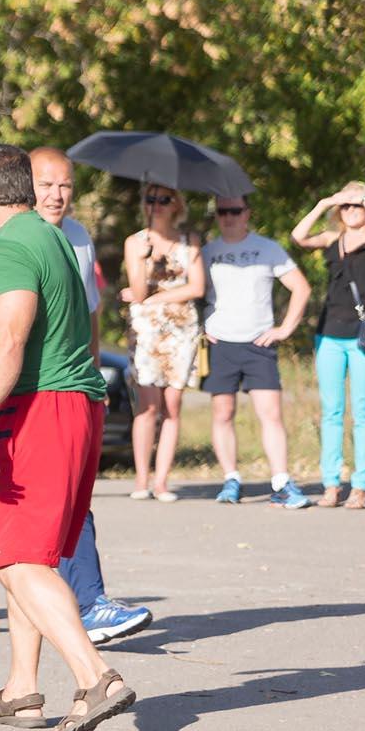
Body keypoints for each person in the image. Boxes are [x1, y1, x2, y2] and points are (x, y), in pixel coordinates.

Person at [0, 147, 153, 646]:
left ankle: (89, 604)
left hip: (48, 393)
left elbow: (83, 315)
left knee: (61, 508)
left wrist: (84, 371)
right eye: (47, 184)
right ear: (25, 186)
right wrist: (5, 355)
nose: (56, 195)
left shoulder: (71, 237)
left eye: (65, 185)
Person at [0, 144, 135, 731]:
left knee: (18, 561)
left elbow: (8, 337)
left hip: (34, 409)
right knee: (29, 557)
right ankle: (21, 689)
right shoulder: (51, 237)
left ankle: (96, 677)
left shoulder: (7, 248)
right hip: (72, 405)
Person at [200, 194, 314, 508]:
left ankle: (281, 482)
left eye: (235, 210)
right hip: (220, 343)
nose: (229, 217)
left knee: (271, 414)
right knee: (223, 413)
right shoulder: (207, 252)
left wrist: (285, 328)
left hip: (258, 343)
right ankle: (231, 479)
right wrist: (200, 325)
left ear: (247, 213)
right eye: (222, 211)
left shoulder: (268, 249)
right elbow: (191, 291)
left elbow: (301, 288)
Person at [291, 182, 365, 508]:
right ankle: (331, 483)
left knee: (363, 409)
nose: (351, 211)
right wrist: (324, 202)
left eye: (357, 205)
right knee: (331, 410)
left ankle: (361, 484)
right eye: (346, 206)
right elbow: (298, 237)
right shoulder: (333, 239)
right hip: (329, 333)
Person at [119, 181, 205, 501]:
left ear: (176, 205)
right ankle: (142, 479)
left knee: (173, 404)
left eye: (164, 199)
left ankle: (162, 481)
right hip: (147, 330)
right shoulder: (135, 242)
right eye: (150, 198)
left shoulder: (189, 241)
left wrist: (156, 298)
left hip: (181, 328)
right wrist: (143, 263)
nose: (156, 204)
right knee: (147, 404)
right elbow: (137, 292)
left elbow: (197, 287)